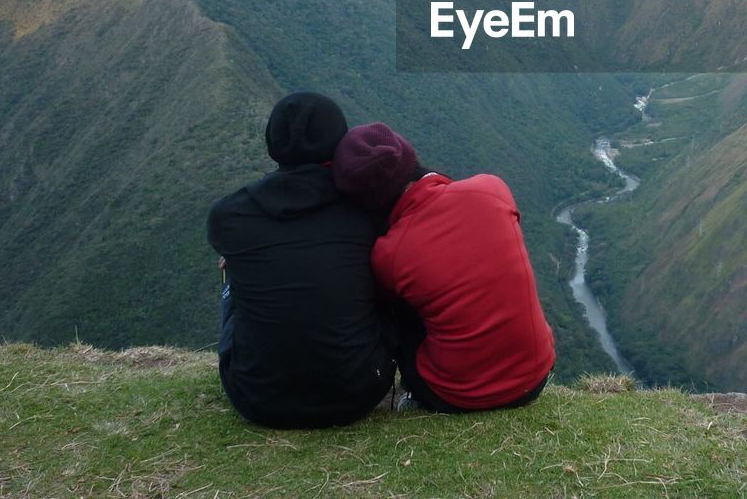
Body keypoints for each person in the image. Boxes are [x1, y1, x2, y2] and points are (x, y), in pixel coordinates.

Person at [332, 122, 555, 413]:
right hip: (536, 375)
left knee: (396, 306)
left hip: (460, 395)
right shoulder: (492, 189)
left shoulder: (390, 253)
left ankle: (414, 397)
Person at [207, 92, 394, 428]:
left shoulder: (229, 216)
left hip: (256, 397)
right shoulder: (368, 212)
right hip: (358, 392)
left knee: (235, 267)